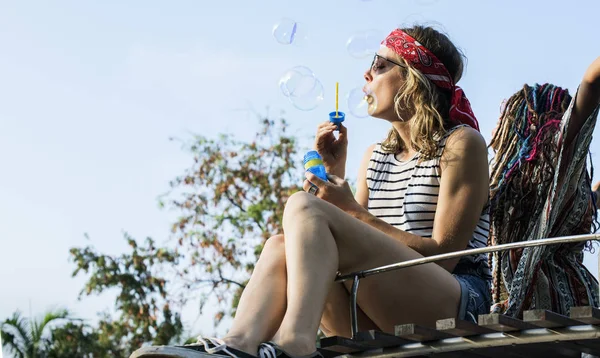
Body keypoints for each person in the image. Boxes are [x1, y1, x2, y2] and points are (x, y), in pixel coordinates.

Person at [132, 25, 491, 358]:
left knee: (304, 207)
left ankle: (295, 344)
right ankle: (237, 345)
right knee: (281, 245)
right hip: (382, 306)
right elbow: (348, 244)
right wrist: (333, 175)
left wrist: (350, 211)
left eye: (380, 65)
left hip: (454, 303)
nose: (367, 74)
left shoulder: (461, 144)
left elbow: (444, 256)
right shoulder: (376, 156)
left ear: (414, 78)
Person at [488, 57, 600, 318]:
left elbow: (592, 82)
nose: (497, 125)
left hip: (554, 306)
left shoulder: (554, 152)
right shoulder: (511, 181)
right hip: (561, 303)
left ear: (527, 121)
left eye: (506, 114)